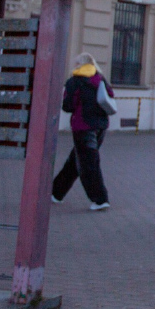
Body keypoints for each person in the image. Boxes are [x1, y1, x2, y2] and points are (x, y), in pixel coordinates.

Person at [52, 53, 116, 210]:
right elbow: (111, 96)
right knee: (76, 160)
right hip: (101, 126)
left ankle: (100, 200)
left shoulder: (74, 81)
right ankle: (56, 193)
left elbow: (68, 106)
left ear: (79, 65)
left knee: (88, 164)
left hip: (83, 127)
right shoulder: (100, 79)